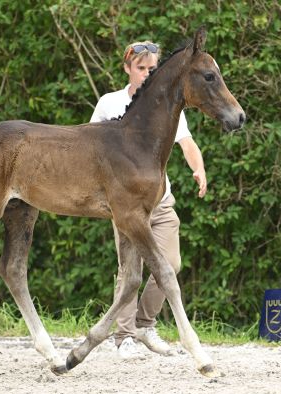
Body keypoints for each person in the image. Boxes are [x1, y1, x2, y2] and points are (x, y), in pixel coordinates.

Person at [90, 41, 207, 359]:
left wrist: (199, 169)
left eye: (151, 68)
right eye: (140, 68)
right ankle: (123, 336)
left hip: (161, 200)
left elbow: (187, 143)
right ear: (127, 69)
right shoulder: (109, 104)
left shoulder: (166, 105)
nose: (146, 73)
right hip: (126, 203)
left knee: (171, 264)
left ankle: (144, 324)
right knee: (129, 268)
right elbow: (88, 149)